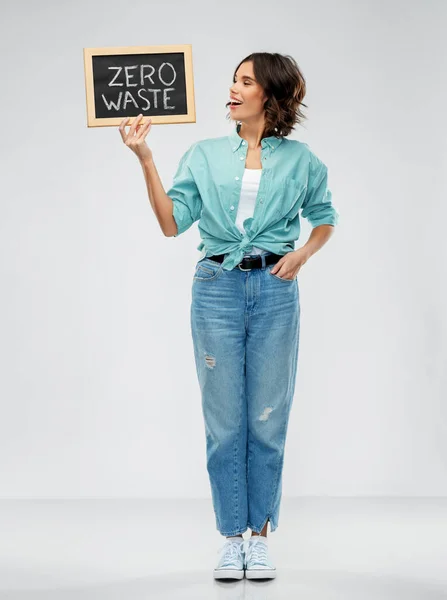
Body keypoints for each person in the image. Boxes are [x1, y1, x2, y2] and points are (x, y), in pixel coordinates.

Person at [119, 52, 339, 581]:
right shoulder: (204, 153)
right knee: (224, 423)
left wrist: (302, 254)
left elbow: (325, 218)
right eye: (234, 81)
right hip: (215, 287)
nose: (234, 90)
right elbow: (172, 224)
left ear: (272, 95)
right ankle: (230, 537)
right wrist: (145, 157)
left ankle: (258, 537)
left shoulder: (302, 160)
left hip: (275, 289)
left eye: (246, 82)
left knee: (267, 419)